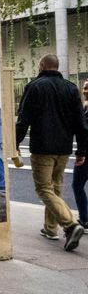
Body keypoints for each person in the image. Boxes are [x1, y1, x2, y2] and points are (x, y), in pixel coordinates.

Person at [15, 54, 87, 251]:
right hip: (64, 149)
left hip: (42, 147)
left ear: (42, 66)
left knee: (44, 188)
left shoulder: (35, 87)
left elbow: (23, 120)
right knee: (55, 188)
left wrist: (15, 143)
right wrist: (81, 150)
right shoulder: (71, 88)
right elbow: (81, 123)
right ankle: (50, 229)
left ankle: (70, 225)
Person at [73, 80, 88, 232]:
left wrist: (80, 154)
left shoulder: (86, 107)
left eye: (86, 88)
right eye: (84, 88)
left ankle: (85, 219)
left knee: (77, 185)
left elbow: (84, 133)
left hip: (86, 154)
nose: (84, 91)